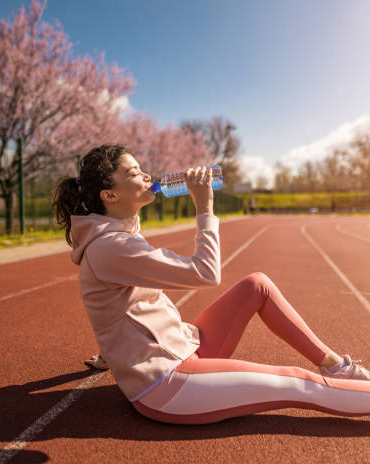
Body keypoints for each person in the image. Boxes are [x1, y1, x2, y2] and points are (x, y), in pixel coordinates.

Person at [52, 144, 370, 425]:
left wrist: (112, 351)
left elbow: (116, 305)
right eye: (134, 173)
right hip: (169, 384)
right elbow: (206, 273)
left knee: (256, 285)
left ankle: (336, 366)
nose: (147, 176)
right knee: (298, 381)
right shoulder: (111, 247)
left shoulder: (119, 235)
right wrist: (204, 207)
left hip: (184, 347)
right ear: (109, 195)